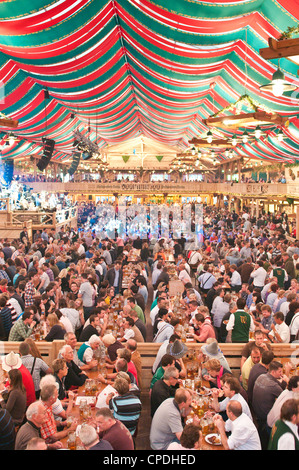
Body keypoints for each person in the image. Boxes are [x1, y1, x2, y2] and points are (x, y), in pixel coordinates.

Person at [251, 360, 288, 449]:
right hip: (265, 419)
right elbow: (285, 396)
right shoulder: (273, 386)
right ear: (273, 372)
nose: (281, 374)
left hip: (256, 413)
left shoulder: (261, 376)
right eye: (280, 372)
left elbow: (275, 386)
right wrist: (286, 381)